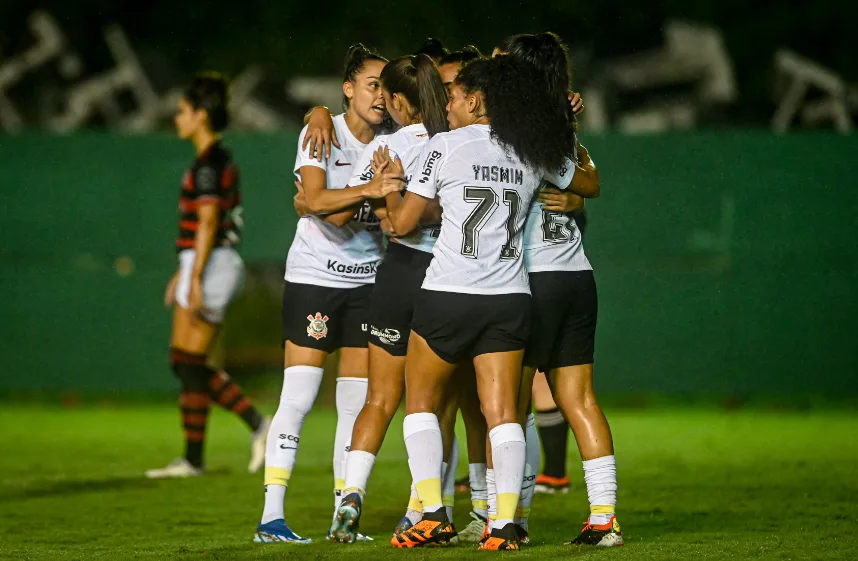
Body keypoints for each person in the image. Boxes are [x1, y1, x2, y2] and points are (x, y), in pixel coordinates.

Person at [366, 55, 576, 550]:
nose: (448, 104)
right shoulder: (531, 149)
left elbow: (402, 224)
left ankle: (432, 513)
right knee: (503, 413)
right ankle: (503, 525)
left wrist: (387, 189)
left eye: (456, 96)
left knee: (419, 405)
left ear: (477, 99)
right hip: (509, 297)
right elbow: (582, 180)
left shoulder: (445, 145)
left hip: (449, 294)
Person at [253, 44, 397, 544]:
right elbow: (317, 204)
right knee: (299, 395)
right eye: (372, 83)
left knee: (354, 405)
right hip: (315, 277)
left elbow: (321, 205)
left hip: (367, 282)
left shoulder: (395, 139)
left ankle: (343, 513)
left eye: (386, 86)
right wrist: (369, 189)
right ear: (348, 88)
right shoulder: (320, 131)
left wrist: (346, 197)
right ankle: (272, 516)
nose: (380, 95)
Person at [496, 32, 622, 548]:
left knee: (512, 405)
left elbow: (585, 186)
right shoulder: (555, 127)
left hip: (533, 279)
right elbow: (586, 179)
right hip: (577, 276)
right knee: (580, 399)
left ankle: (511, 519)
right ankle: (604, 519)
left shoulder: (512, 131)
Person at [319, 53, 452, 544]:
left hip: (397, 274)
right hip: (445, 277)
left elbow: (342, 215)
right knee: (433, 405)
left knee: (379, 398)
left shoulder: (385, 147)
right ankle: (425, 508)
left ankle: (350, 495)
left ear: (398, 100)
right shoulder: (454, 143)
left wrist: (378, 191)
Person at [146, 74, 269, 480]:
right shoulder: (213, 160)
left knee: (190, 363)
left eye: (183, 111)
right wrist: (183, 273)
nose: (177, 118)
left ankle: (256, 424)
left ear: (200, 116)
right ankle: (193, 459)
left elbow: (208, 220)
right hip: (205, 262)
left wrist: (194, 276)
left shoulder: (209, 164)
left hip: (213, 263)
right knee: (186, 363)